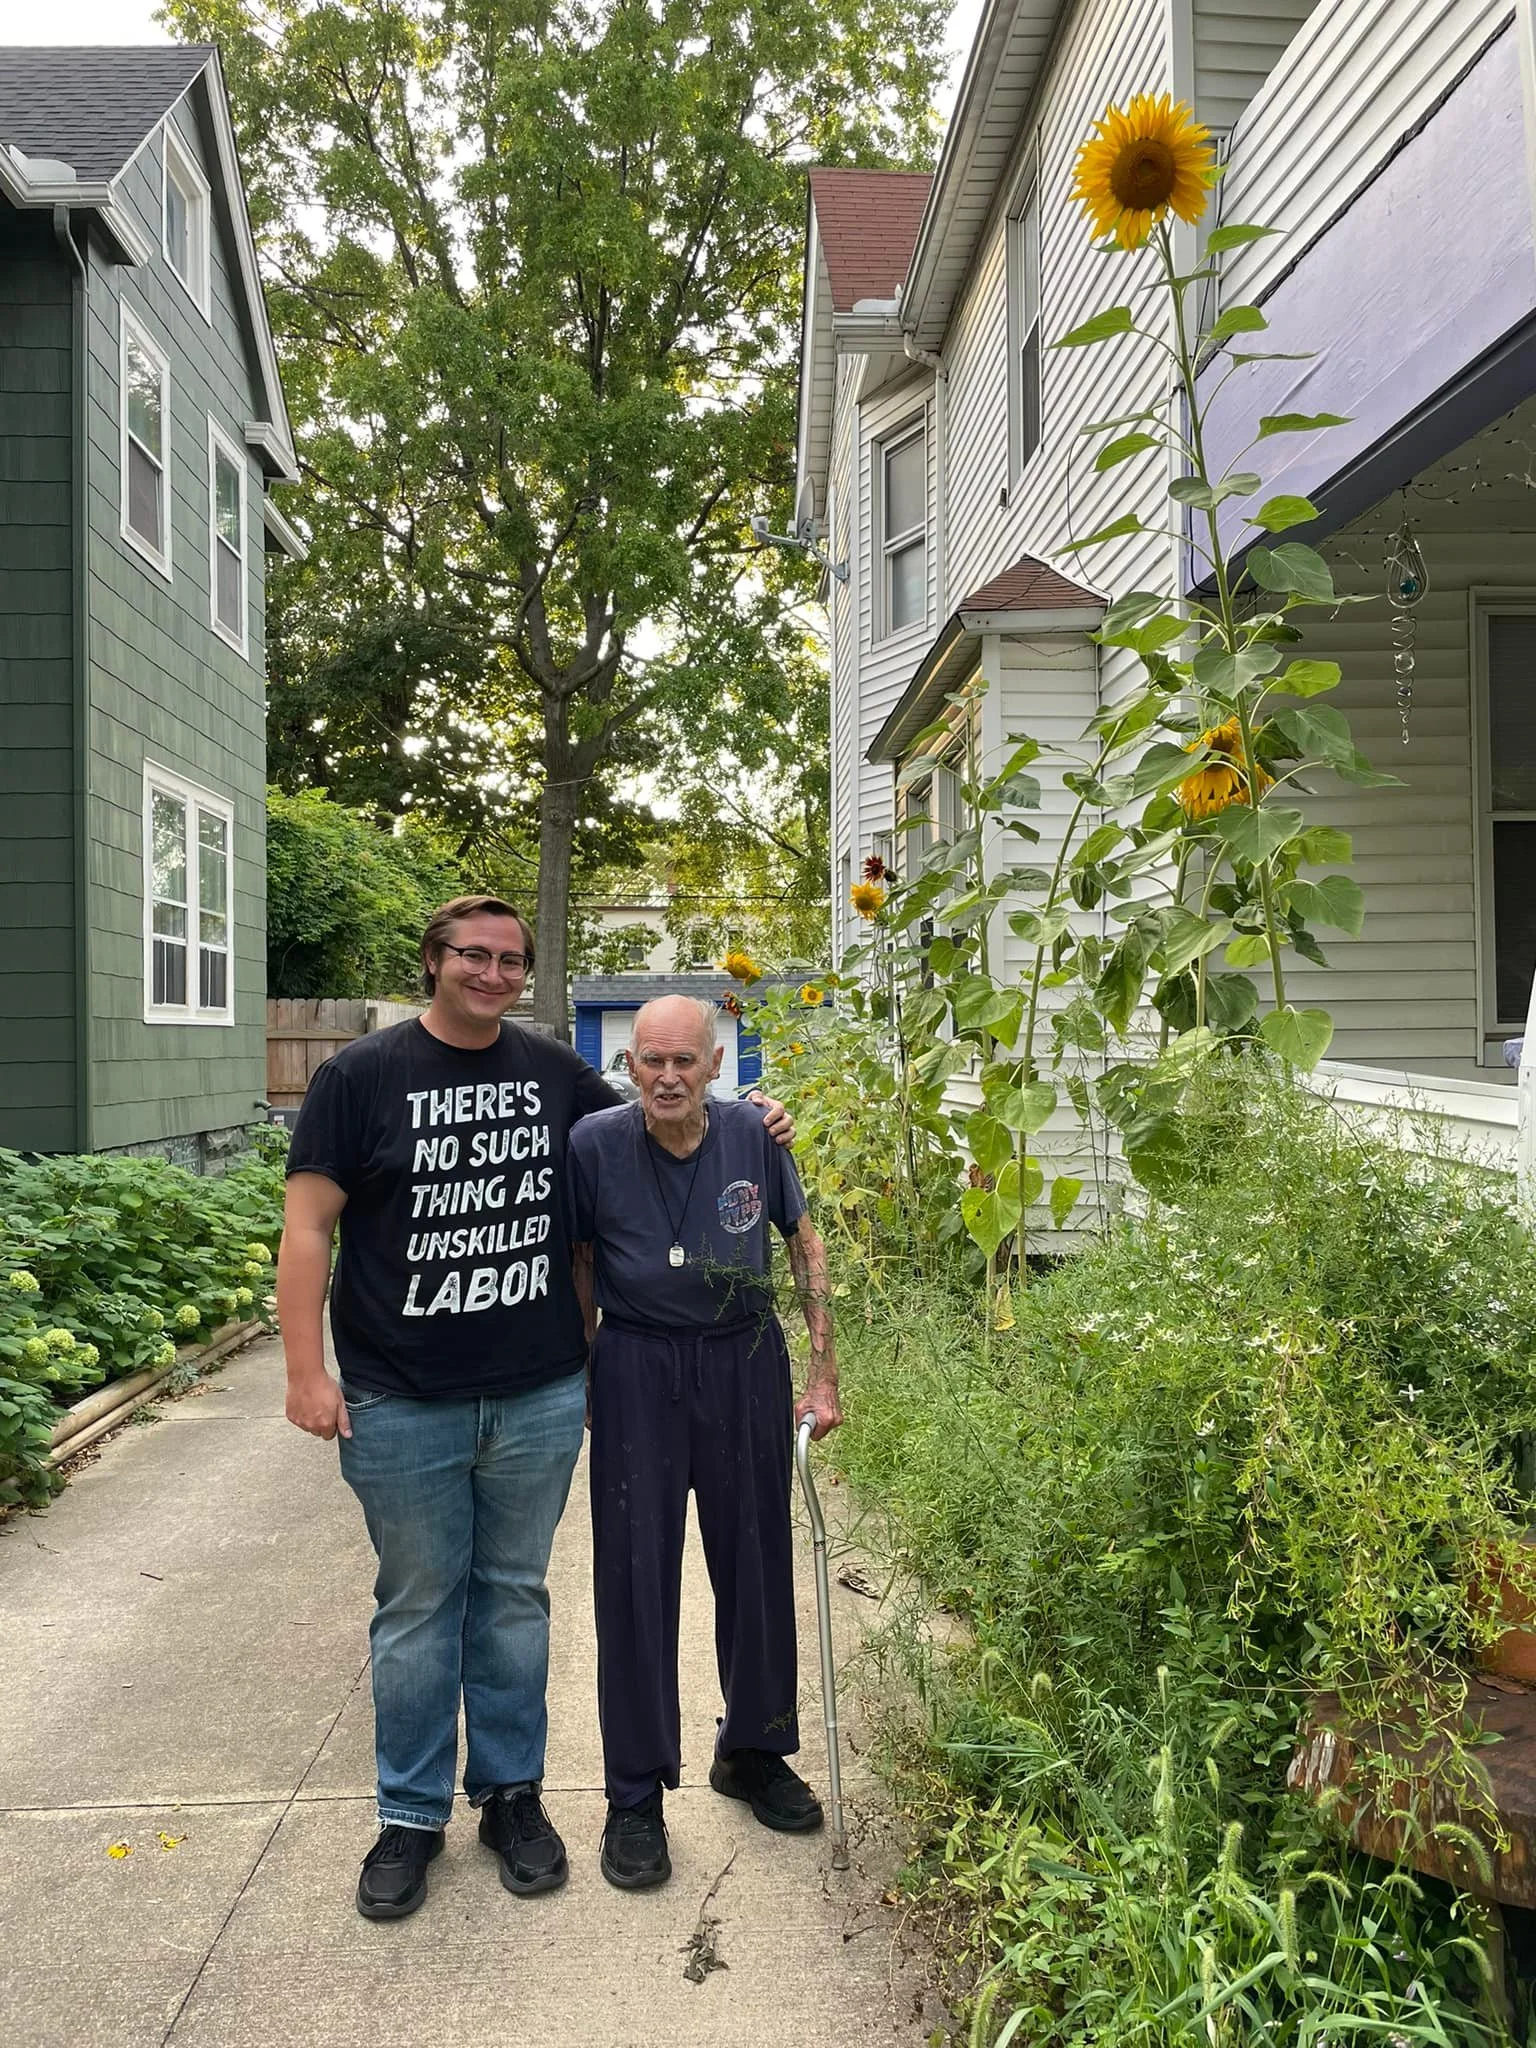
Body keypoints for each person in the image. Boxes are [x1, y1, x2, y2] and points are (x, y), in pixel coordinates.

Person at [277, 899, 794, 1921]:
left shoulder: (554, 1073)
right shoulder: (360, 1075)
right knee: (420, 1608)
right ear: (434, 961)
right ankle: (410, 1814)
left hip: (538, 1389)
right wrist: (306, 1370)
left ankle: (511, 1796)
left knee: (515, 1599)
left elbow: (662, 1111)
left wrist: (758, 1117)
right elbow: (307, 1228)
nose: (494, 971)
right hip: (401, 1389)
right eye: (474, 953)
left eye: (512, 958)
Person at [568, 994, 841, 1891]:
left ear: (717, 1065)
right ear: (631, 1066)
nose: (668, 1077)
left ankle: (752, 1751)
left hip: (742, 1360)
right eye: (652, 1060)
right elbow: (577, 1262)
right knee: (635, 1577)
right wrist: (585, 1368)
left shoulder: (756, 1135)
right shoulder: (595, 1144)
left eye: (686, 1060)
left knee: (757, 1564)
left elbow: (804, 1244)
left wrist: (823, 1372)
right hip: (639, 1367)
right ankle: (634, 1795)